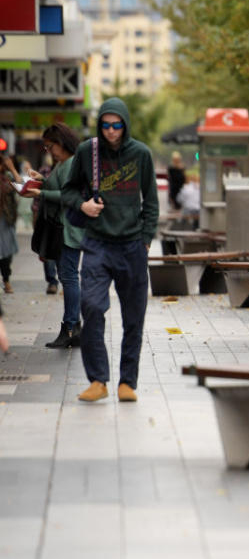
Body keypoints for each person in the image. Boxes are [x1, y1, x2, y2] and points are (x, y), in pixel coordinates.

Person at [62, 97, 159, 403]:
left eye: (117, 126)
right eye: (106, 125)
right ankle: (98, 380)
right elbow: (67, 191)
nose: (111, 132)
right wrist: (83, 205)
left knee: (134, 318)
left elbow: (152, 202)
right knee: (91, 307)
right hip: (97, 244)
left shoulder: (141, 154)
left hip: (132, 246)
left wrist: (145, 240)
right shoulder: (86, 152)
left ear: (126, 124)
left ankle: (127, 382)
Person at [24, 124, 84, 347]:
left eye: (50, 146)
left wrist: (40, 192)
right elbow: (58, 186)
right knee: (68, 276)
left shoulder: (69, 164)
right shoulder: (64, 164)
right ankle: (71, 327)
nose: (49, 151)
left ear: (62, 143)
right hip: (63, 228)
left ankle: (71, 327)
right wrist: (40, 179)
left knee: (68, 277)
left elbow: (68, 196)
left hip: (67, 230)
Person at [32, 153, 59, 295]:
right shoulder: (44, 171)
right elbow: (36, 199)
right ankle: (52, 281)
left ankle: (64, 279)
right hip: (46, 217)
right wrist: (35, 217)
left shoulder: (70, 169)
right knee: (47, 251)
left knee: (61, 253)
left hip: (62, 218)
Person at [0, 170, 18, 294]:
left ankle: (6, 280)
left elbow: (19, 185)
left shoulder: (7, 177)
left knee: (6, 253)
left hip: (5, 219)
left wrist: (11, 168)